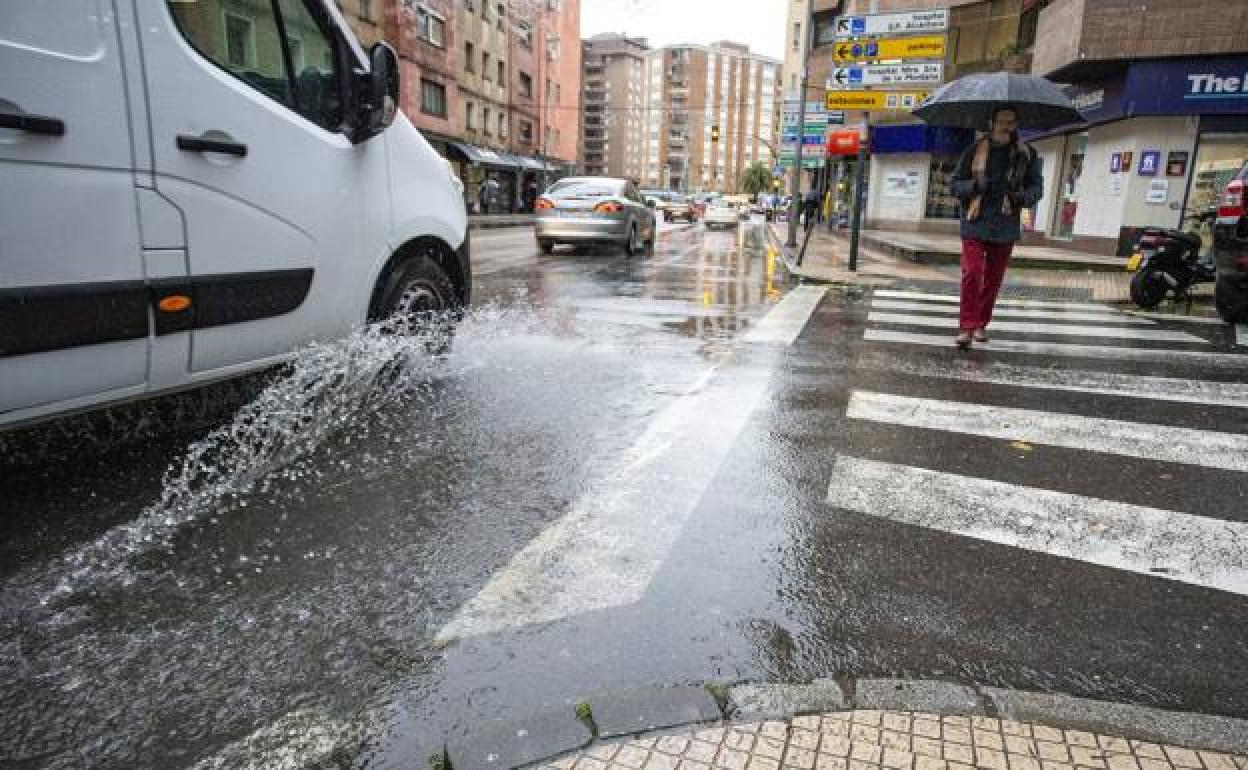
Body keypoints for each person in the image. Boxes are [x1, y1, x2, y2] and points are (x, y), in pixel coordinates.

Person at [951, 105, 1043, 350]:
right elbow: (955, 186)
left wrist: (1019, 197)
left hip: (1005, 224)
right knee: (972, 272)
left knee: (993, 278)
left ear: (1016, 124)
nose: (1006, 126)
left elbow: (1037, 189)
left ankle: (980, 323)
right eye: (1001, 121)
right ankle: (966, 326)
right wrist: (975, 187)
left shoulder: (1027, 154)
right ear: (992, 123)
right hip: (975, 221)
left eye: (1011, 122)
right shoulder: (974, 150)